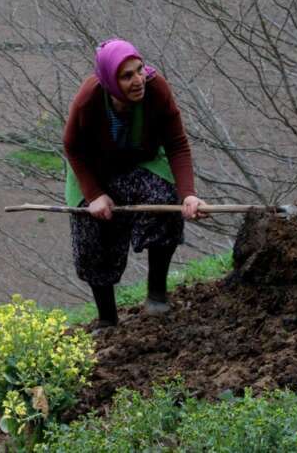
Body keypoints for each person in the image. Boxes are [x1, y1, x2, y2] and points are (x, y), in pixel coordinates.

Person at [63, 38, 206, 329]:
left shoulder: (157, 89)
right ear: (109, 80)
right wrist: (94, 195)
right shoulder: (89, 98)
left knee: (164, 202)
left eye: (140, 70)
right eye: (127, 76)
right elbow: (72, 147)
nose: (138, 80)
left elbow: (177, 144)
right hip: (93, 170)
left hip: (140, 161)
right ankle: (106, 318)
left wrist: (188, 195)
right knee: (92, 230)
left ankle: (156, 295)